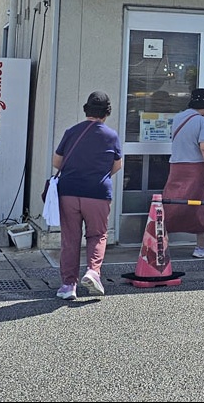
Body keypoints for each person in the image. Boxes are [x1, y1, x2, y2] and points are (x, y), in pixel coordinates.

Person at [52, 91, 123, 300]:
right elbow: (117, 165)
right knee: (97, 234)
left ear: (86, 110)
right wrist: (99, 175)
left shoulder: (72, 132)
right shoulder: (111, 135)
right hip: (98, 194)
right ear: (107, 112)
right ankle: (93, 272)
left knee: (70, 238)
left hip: (69, 192)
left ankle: (67, 286)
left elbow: (57, 162)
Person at [163, 88, 204, 257]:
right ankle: (201, 247)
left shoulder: (179, 118)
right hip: (197, 168)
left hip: (177, 166)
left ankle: (160, 242)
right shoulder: (203, 122)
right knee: (202, 205)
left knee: (172, 204)